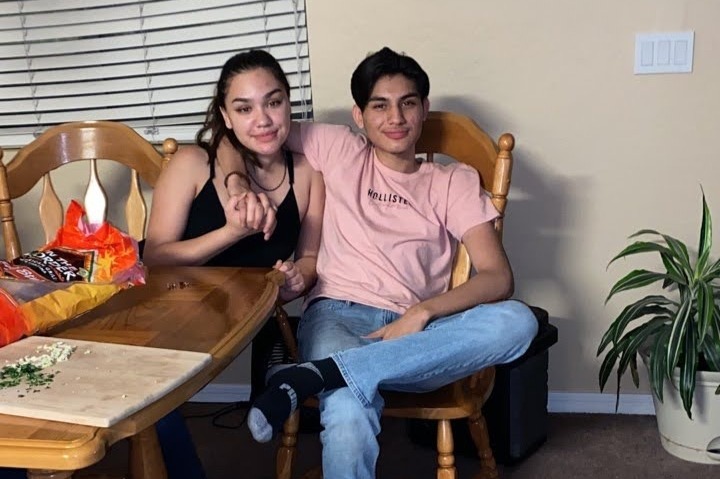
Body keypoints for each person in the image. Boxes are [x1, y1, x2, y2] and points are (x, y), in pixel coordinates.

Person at [221, 47, 539, 479]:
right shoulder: (338, 149)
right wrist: (237, 182)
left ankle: (317, 375)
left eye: (408, 103)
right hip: (338, 316)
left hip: (420, 337)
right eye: (380, 106)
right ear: (359, 115)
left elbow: (498, 277)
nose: (396, 118)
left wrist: (422, 312)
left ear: (424, 108)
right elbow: (242, 135)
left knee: (518, 321)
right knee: (348, 407)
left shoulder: (452, 182)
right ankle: (334, 373)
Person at [142, 49, 324, 478]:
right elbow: (155, 257)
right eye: (244, 109)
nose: (262, 120)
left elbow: (311, 257)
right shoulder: (192, 163)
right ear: (226, 117)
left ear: (288, 103)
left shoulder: (307, 173)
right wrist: (231, 232)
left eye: (273, 102)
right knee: (150, 400)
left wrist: (297, 279)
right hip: (169, 307)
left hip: (241, 316)